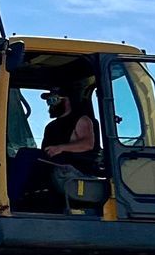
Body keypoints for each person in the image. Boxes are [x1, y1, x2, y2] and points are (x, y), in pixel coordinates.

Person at [9, 78, 101, 208]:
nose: (50, 105)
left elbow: (88, 144)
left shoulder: (82, 120)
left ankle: (10, 201)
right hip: (54, 164)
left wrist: (61, 148)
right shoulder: (50, 127)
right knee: (12, 160)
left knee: (26, 155)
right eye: (48, 101)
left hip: (74, 168)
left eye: (53, 100)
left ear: (67, 101)